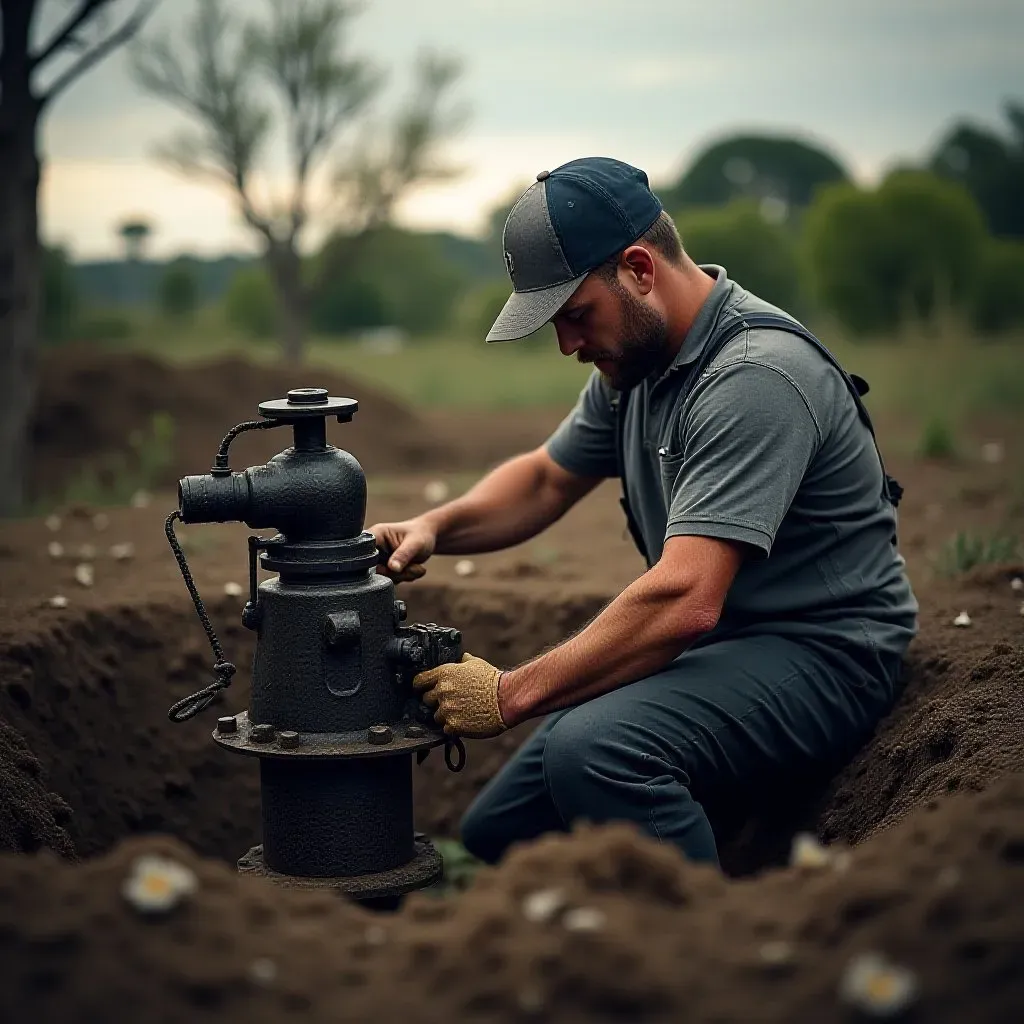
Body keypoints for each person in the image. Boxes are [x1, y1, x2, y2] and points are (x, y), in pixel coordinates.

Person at [368, 156, 919, 869]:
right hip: (733, 645)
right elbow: (543, 481)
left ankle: (702, 947)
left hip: (829, 651)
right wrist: (434, 527)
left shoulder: (753, 376)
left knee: (595, 752)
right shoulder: (639, 365)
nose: (568, 345)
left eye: (574, 316)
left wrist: (508, 694)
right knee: (499, 830)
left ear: (638, 268)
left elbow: (686, 599)